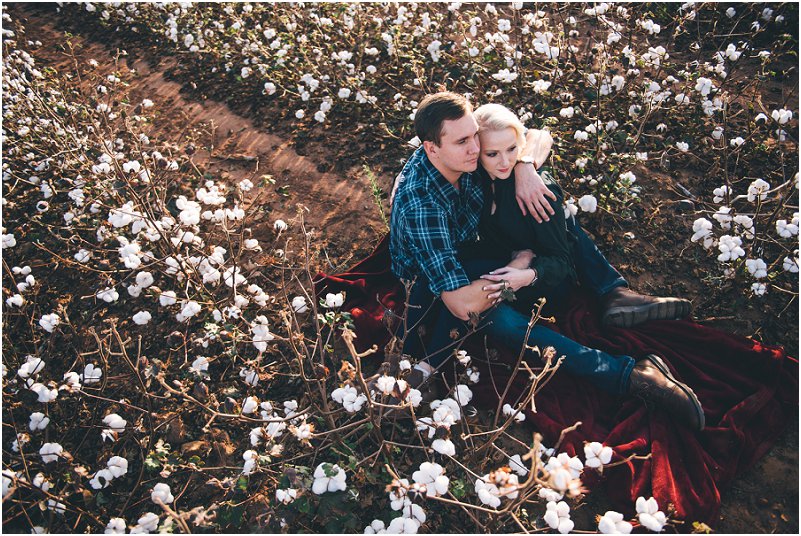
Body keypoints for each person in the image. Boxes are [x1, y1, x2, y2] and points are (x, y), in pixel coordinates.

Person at [389, 92, 703, 430]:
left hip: (472, 249)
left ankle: (612, 291)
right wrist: (523, 264)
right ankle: (628, 375)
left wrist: (526, 168)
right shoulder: (424, 207)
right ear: (431, 148)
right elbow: (462, 304)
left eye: (474, 137)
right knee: (502, 321)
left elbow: (537, 136)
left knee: (539, 196)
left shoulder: (464, 155)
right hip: (434, 281)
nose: (475, 149)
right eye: (463, 141)